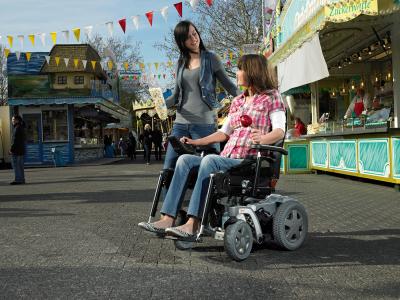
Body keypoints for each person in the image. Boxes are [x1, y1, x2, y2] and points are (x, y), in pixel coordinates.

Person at [138, 54, 286, 238]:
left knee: (209, 161)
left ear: (252, 71)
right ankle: (168, 218)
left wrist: (262, 139)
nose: (237, 73)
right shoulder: (238, 101)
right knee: (184, 160)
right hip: (227, 158)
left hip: (248, 161)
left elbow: (279, 131)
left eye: (240, 69)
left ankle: (193, 223)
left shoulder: (271, 97)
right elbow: (223, 133)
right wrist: (195, 142)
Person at [163, 20, 239, 170]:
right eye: (188, 37)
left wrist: (249, 98)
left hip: (205, 125)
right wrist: (161, 103)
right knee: (168, 169)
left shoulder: (211, 58)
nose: (194, 39)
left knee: (207, 170)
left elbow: (229, 85)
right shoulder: (180, 63)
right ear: (181, 42)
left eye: (194, 33)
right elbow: (175, 95)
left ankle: (200, 194)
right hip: (180, 124)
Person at [9, 115, 26, 185]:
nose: (12, 121)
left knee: (16, 166)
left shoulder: (17, 128)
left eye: (13, 120)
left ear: (17, 120)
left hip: (16, 151)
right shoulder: (21, 127)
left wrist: (11, 149)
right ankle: (22, 179)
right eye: (12, 120)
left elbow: (15, 140)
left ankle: (18, 180)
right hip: (21, 150)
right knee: (20, 166)